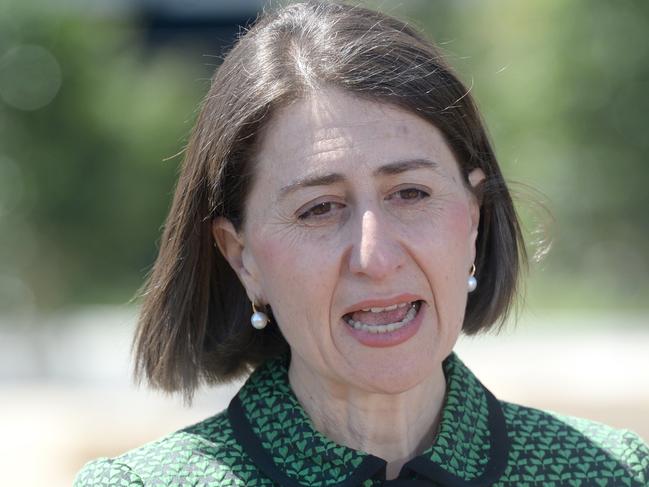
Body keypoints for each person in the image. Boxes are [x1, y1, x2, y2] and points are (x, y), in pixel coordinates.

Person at [74, 1, 649, 485]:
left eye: (411, 194)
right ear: (240, 256)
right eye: (320, 208)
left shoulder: (611, 473)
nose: (376, 258)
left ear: (474, 217)